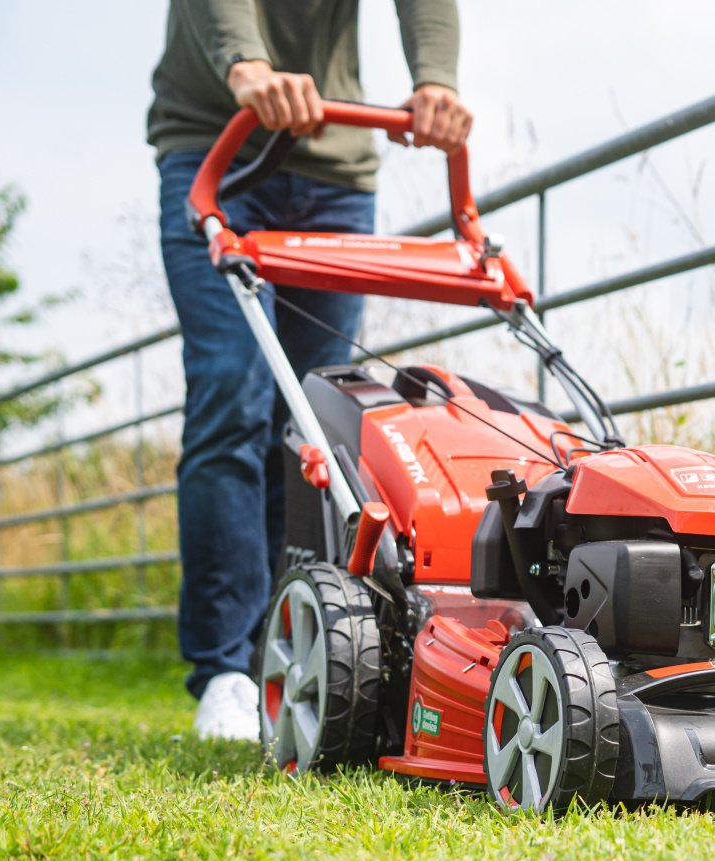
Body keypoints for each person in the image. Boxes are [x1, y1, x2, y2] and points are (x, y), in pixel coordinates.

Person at [148, 0, 473, 740]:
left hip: (335, 169)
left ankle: (292, 647)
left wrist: (436, 80)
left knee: (309, 429)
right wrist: (245, 66)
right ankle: (225, 671)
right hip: (217, 146)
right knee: (232, 392)